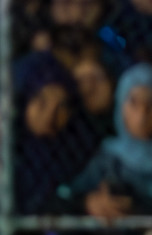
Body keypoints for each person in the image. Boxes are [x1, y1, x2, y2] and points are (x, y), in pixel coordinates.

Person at [55, 65, 152, 226]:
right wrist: (88, 202)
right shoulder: (109, 155)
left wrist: (134, 206)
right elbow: (67, 194)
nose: (142, 113)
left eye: (151, 104)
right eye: (133, 103)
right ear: (120, 107)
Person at [13, 52, 95, 216]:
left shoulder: (75, 153)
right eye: (41, 102)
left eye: (62, 106)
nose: (50, 116)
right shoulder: (9, 145)